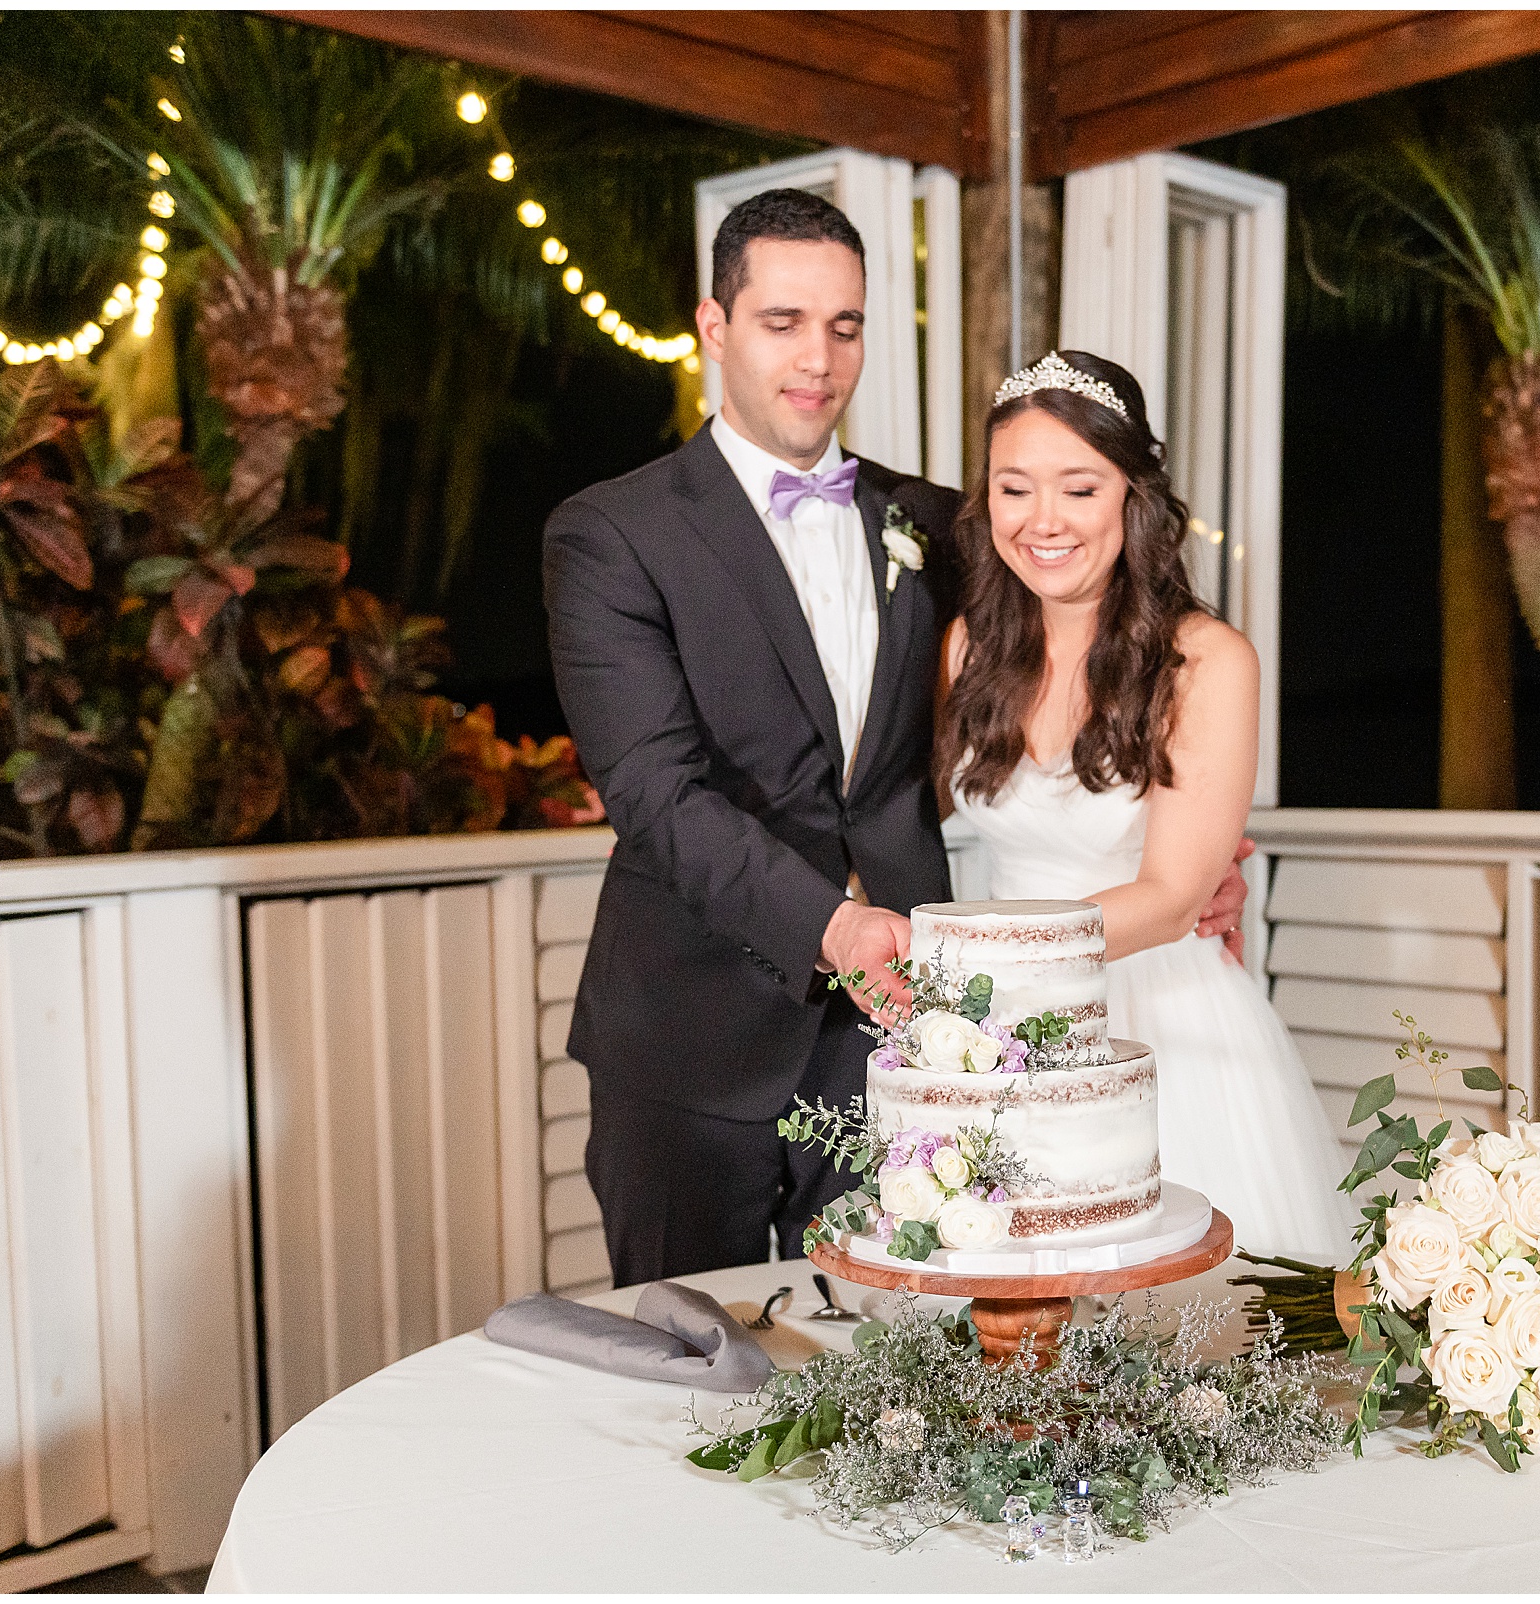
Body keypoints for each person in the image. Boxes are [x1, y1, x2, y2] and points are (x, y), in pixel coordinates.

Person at [544, 196, 1248, 1284]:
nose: (817, 358)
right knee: (690, 1359)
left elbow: (1083, 663)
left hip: (914, 1050)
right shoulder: (609, 534)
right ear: (714, 326)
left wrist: (1200, 858)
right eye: (782, 320)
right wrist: (836, 929)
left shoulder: (938, 526)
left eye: (846, 324)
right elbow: (653, 790)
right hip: (690, 1034)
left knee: (890, 1366)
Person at [939, 350, 1354, 1261]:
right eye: (1015, 489)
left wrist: (969, 960)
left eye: (1079, 489)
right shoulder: (970, 646)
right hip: (997, 1032)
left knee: (1174, 1349)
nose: (1043, 521)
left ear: (1134, 498)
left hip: (1163, 1027)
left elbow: (1173, 894)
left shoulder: (1208, 661)